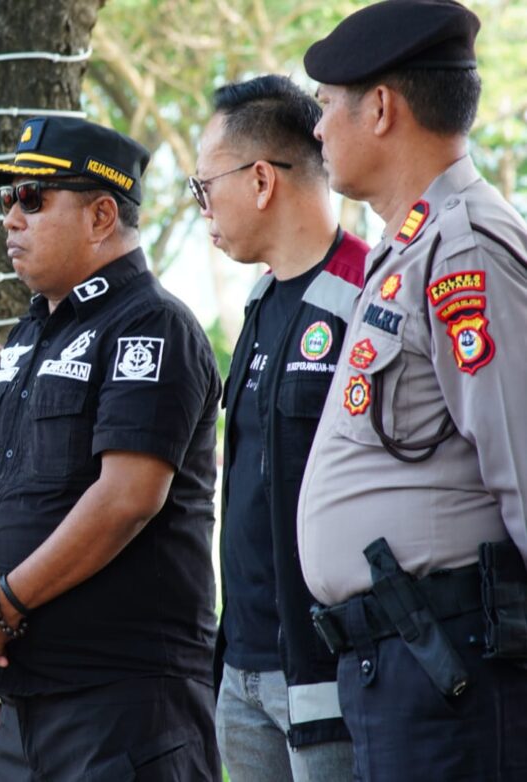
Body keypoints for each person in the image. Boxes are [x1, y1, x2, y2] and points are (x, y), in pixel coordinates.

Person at [0, 117, 223, 780]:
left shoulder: (151, 323)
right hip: (30, 698)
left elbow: (126, 499)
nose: (10, 217)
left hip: (123, 703)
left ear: (100, 216)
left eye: (32, 199)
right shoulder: (32, 332)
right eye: (6, 200)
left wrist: (1, 605)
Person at [297, 2, 527, 779]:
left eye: (326, 106)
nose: (319, 129)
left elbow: (523, 467)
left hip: (449, 665)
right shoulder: (410, 248)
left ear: (383, 107)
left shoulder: (464, 247)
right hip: (408, 666)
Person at [193, 76, 368, 781]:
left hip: (333, 670)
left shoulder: (368, 291)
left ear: (261, 179)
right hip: (243, 667)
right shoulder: (261, 301)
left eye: (205, 186)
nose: (203, 208)